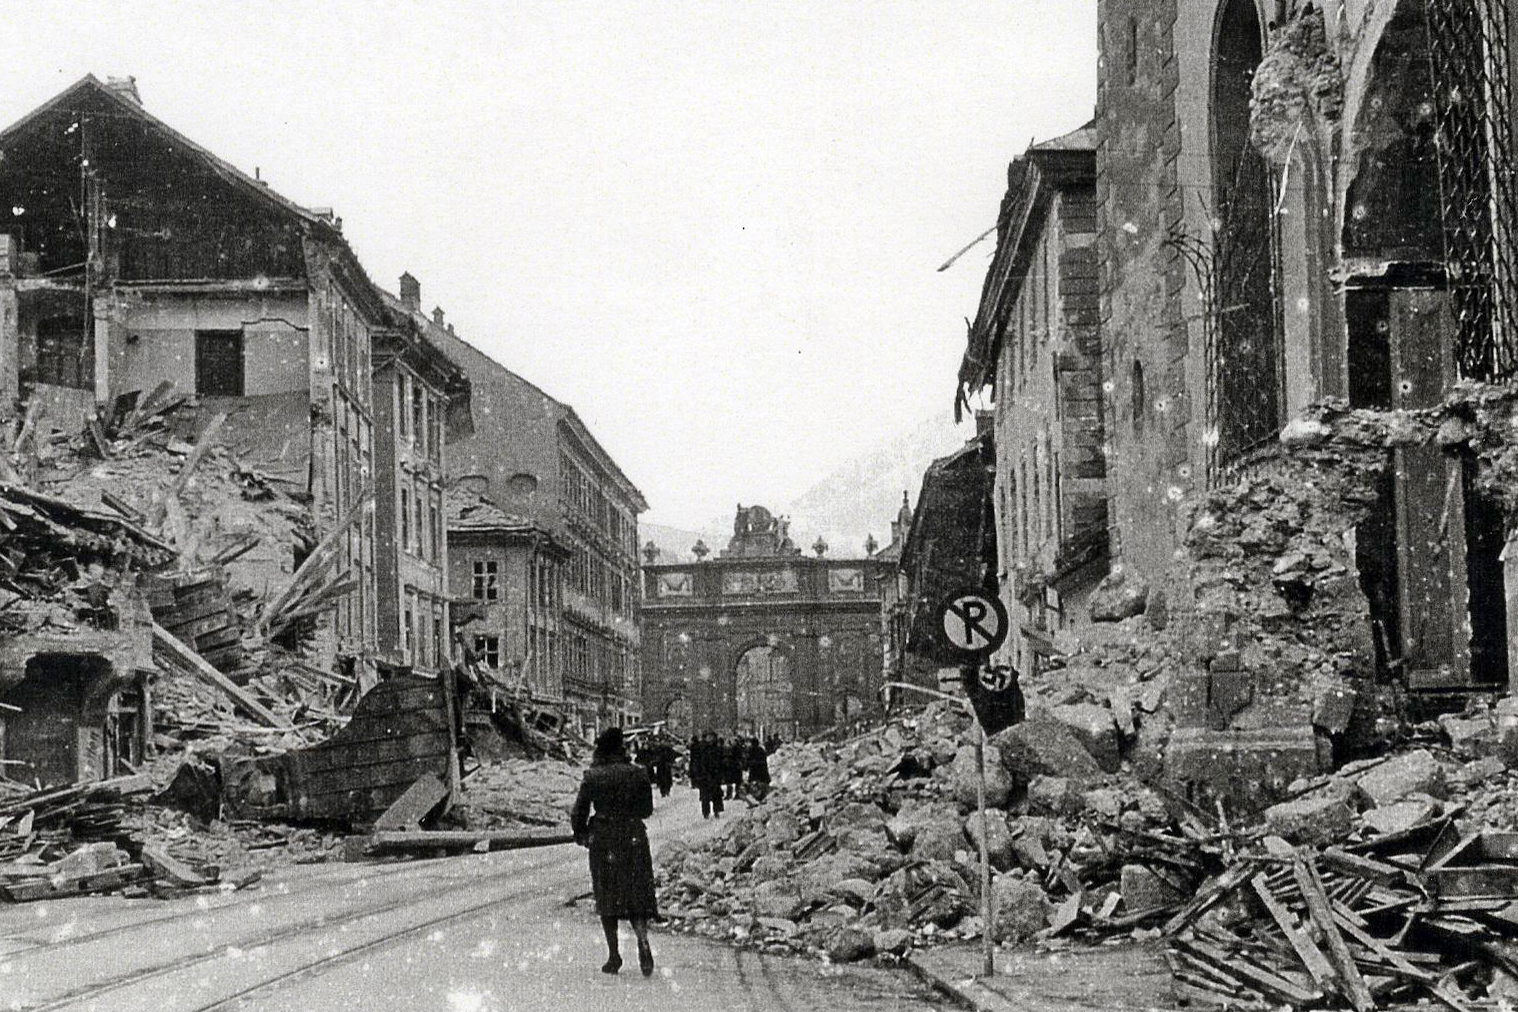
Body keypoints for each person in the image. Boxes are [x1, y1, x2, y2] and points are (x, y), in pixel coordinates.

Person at [570, 727, 659, 977]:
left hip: (605, 837)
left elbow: (579, 811)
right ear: (622, 749)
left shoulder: (593, 775)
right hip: (633, 836)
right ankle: (642, 939)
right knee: (637, 892)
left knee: (607, 894)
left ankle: (614, 955)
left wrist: (582, 834)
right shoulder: (638, 774)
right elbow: (646, 809)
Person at [691, 730, 724, 819]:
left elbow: (721, 761)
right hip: (704, 775)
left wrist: (720, 773)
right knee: (705, 796)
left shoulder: (717, 748)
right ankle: (706, 813)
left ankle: (716, 811)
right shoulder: (701, 748)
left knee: (716, 795)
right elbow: (697, 761)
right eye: (708, 737)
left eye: (711, 737)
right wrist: (697, 774)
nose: (710, 739)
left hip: (715, 774)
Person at [744, 737, 771, 802]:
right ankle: (760, 797)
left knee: (756, 784)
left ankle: (759, 798)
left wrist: (747, 765)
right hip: (760, 771)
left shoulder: (752, 750)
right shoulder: (760, 750)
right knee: (759, 784)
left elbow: (748, 760)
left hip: (756, 771)